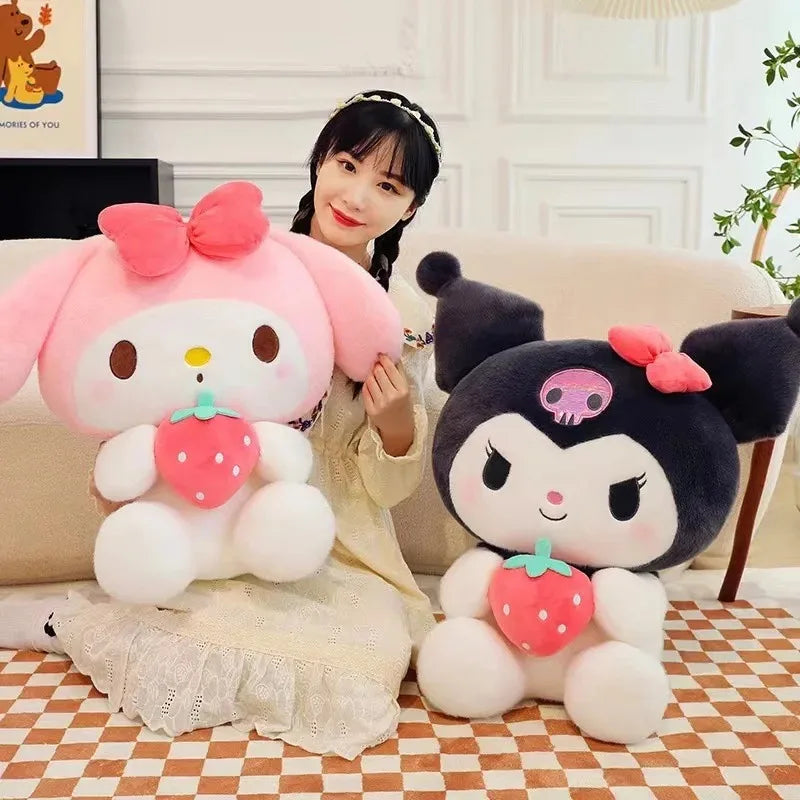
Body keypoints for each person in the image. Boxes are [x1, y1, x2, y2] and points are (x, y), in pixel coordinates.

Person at [0, 89, 443, 759]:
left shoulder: (399, 319)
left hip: (343, 544)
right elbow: (168, 383)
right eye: (347, 165)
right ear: (320, 161)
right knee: (193, 620)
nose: (356, 197)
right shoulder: (248, 271)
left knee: (371, 659)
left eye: (387, 185)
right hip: (219, 513)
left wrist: (397, 424)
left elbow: (385, 490)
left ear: (409, 207)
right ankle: (63, 625)